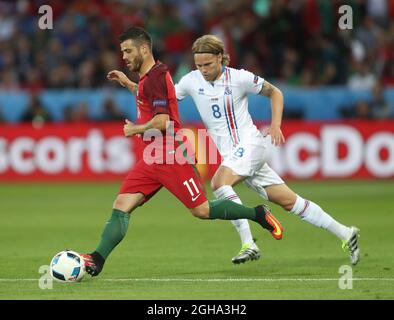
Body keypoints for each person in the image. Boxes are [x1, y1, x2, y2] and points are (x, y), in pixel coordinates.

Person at [81, 27, 283, 276]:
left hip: (170, 155)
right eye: (122, 51)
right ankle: (97, 259)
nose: (123, 56)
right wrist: (128, 84)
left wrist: (136, 129)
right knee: (122, 204)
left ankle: (257, 213)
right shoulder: (148, 78)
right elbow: (148, 97)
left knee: (202, 210)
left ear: (144, 49)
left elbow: (163, 120)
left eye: (128, 50)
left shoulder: (156, 76)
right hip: (151, 157)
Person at [173, 35, 360, 265]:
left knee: (219, 182)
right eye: (199, 65)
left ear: (220, 57)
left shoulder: (239, 78)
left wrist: (275, 124)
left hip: (251, 145)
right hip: (235, 156)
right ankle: (345, 233)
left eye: (208, 64)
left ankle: (249, 243)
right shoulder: (191, 81)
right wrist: (134, 85)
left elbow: (275, 92)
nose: (203, 69)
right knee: (290, 202)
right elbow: (163, 99)